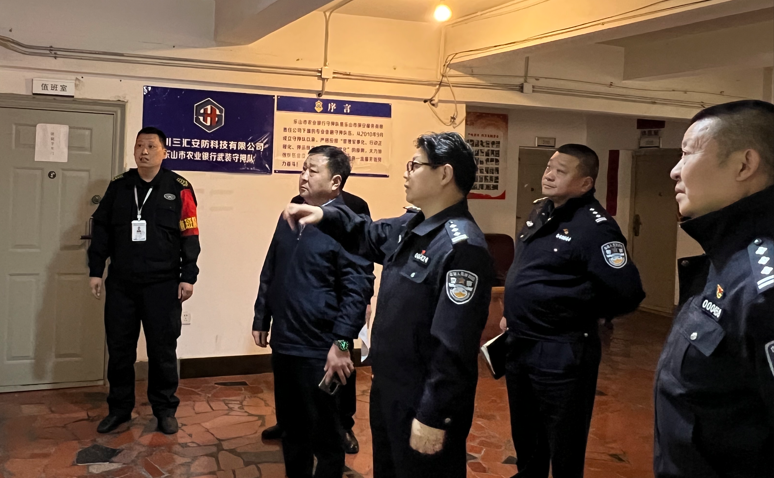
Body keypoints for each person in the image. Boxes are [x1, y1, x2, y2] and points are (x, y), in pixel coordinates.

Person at [284, 132, 496, 478]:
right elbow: (366, 234)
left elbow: (453, 347)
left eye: (415, 165)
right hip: (389, 388)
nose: (406, 173)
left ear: (444, 174)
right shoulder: (412, 225)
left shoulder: (462, 248)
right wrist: (324, 215)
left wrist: (433, 415)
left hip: (422, 397)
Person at [501, 144, 645, 478]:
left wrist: (577, 313)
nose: (549, 175)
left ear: (585, 183)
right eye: (549, 167)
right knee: (526, 435)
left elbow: (628, 291)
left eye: (561, 171)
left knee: (564, 442)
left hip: (561, 350)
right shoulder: (542, 211)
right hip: (521, 343)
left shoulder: (596, 227)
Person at [654, 100, 774, 478]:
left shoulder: (762, 285)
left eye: (688, 153)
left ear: (744, 165)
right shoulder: (726, 259)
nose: (674, 170)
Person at [252, 145, 374, 478]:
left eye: (313, 170)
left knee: (326, 435)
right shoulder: (292, 212)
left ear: (335, 182)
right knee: (292, 430)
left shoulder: (349, 225)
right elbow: (272, 266)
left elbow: (357, 291)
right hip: (286, 341)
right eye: (302, 168)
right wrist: (262, 316)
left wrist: (343, 345)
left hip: (322, 348)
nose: (303, 176)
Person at [87, 127, 200, 435]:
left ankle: (164, 409)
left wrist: (188, 276)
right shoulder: (119, 186)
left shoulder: (179, 187)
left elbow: (190, 234)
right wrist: (96, 270)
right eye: (139, 146)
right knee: (120, 350)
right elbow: (101, 230)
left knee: (162, 351)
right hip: (122, 284)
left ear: (165, 152)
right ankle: (119, 409)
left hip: (163, 285)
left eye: (151, 146)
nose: (144, 151)